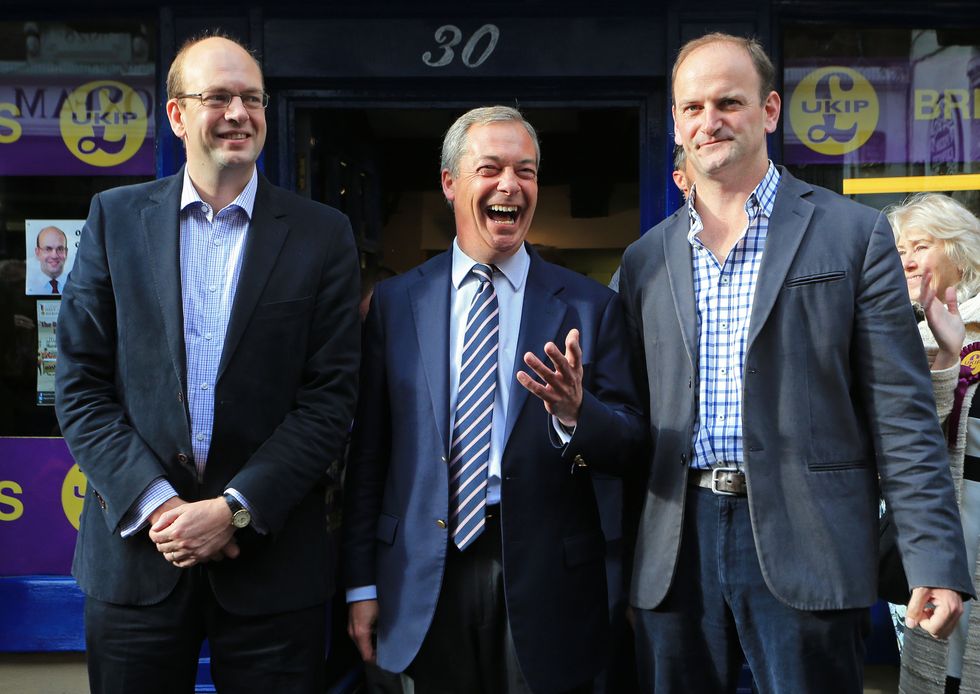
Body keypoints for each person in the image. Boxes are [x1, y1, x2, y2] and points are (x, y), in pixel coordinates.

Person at [617, 32, 974, 693]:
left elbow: (901, 416)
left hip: (809, 539)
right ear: (675, 120)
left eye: (729, 102)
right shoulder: (645, 260)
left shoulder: (852, 234)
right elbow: (631, 420)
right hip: (678, 551)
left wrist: (933, 557)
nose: (710, 121)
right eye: (692, 107)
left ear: (770, 111)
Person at [55, 33, 360, 694]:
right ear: (176, 115)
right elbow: (79, 384)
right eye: (218, 97)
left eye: (251, 99)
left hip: (273, 565)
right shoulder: (114, 220)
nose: (238, 114)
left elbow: (330, 399)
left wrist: (234, 509)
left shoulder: (321, 234)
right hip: (138, 558)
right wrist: (163, 506)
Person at [342, 105, 645, 693]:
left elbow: (632, 443)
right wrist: (361, 583)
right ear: (451, 183)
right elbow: (369, 456)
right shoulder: (397, 305)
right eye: (491, 169)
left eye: (525, 171)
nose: (510, 185)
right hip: (422, 574)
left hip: (547, 578)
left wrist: (576, 415)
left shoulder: (590, 308)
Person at [887, 193, 980, 694]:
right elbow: (906, 438)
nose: (905, 259)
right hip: (934, 532)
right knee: (934, 666)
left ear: (960, 251)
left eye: (920, 245)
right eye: (899, 247)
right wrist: (945, 356)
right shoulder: (900, 330)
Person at [30, 225, 68, 295]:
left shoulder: (78, 285)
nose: (54, 256)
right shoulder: (29, 285)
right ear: (37, 252)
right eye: (48, 249)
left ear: (66, 252)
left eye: (60, 249)